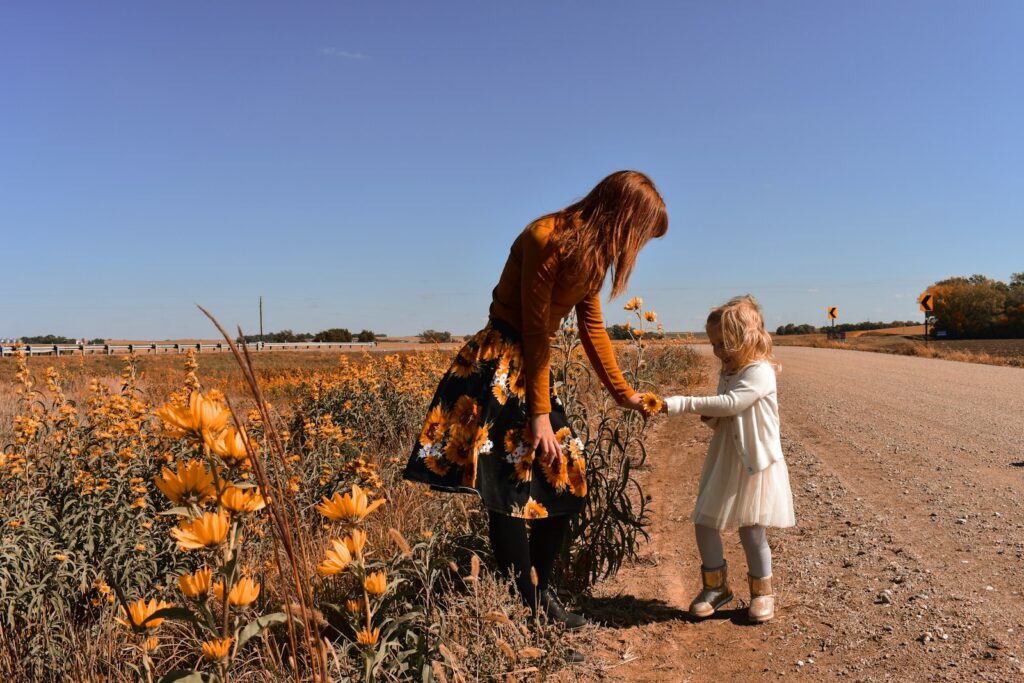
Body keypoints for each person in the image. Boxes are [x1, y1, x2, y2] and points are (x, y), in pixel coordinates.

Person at [404, 170, 668, 630]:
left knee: (567, 479)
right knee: (506, 490)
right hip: (500, 364)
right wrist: (540, 417)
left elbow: (593, 330)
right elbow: (533, 328)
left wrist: (623, 393)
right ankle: (526, 609)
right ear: (624, 217)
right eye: (642, 234)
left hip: (531, 368)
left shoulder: (593, 256)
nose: (639, 246)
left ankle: (536, 596)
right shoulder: (547, 238)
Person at [660, 295, 795, 623]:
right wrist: (711, 414)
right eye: (714, 344)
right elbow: (725, 408)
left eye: (722, 344)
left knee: (752, 530)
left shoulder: (760, 371)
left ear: (746, 338)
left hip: (756, 462)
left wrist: (684, 403)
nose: (717, 351)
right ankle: (716, 587)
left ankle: (763, 593)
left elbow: (733, 403)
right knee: (705, 521)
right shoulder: (731, 369)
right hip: (727, 457)